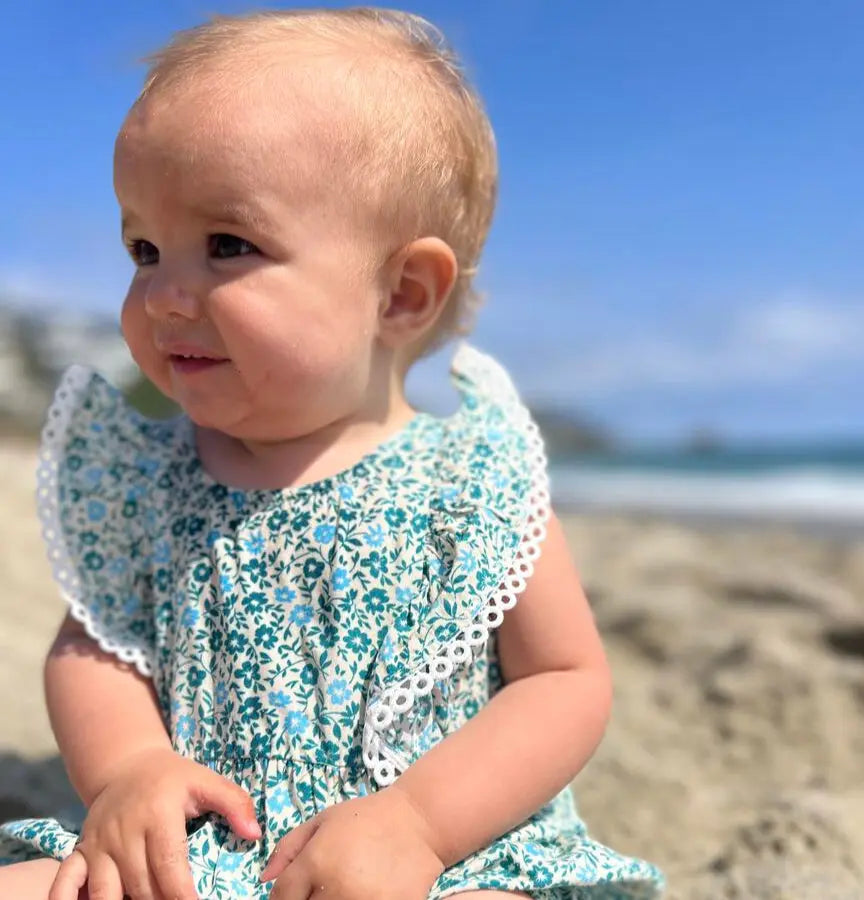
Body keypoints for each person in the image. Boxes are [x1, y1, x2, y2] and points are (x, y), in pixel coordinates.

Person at [0, 7, 666, 899]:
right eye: (144, 249)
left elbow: (563, 679)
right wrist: (129, 770)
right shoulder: (149, 482)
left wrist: (420, 822)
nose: (161, 294)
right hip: (205, 855)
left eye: (226, 246)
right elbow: (97, 648)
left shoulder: (472, 483)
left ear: (401, 293)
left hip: (441, 859)